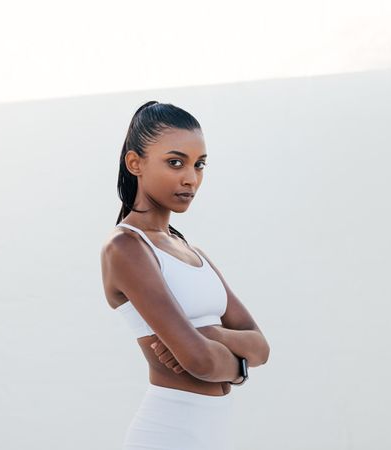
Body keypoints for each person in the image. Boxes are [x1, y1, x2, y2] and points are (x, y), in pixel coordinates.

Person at [99, 100, 270, 450]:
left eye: (199, 165)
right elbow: (200, 361)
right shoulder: (127, 248)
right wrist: (239, 366)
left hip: (213, 430)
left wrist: (208, 333)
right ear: (135, 163)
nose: (191, 178)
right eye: (175, 162)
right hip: (169, 432)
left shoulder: (192, 252)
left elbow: (261, 347)